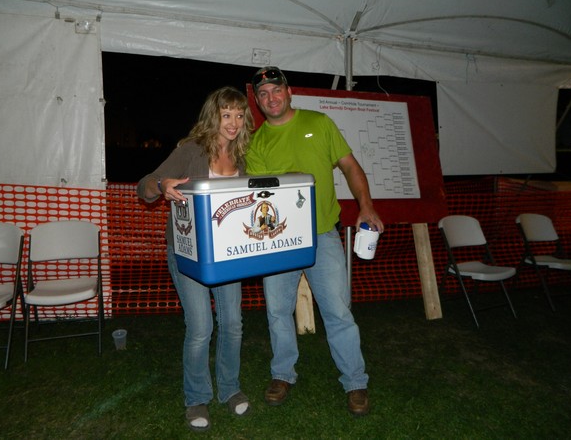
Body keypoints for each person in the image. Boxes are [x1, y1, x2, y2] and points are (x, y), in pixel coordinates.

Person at [246, 66, 385, 417]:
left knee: (338, 311)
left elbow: (350, 166)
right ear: (258, 101)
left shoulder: (319, 123)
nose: (271, 98)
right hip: (278, 241)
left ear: (288, 91)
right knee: (278, 311)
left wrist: (366, 205)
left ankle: (355, 381)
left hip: (323, 233)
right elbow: (261, 195)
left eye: (276, 90)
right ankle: (282, 374)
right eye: (263, 94)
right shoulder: (257, 142)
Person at [137, 86, 254, 432]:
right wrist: (162, 185)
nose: (233, 122)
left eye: (239, 115)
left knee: (232, 324)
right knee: (201, 327)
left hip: (227, 254)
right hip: (188, 252)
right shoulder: (191, 150)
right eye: (226, 114)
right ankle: (197, 397)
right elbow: (144, 185)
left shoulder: (242, 156)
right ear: (213, 115)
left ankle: (229, 388)